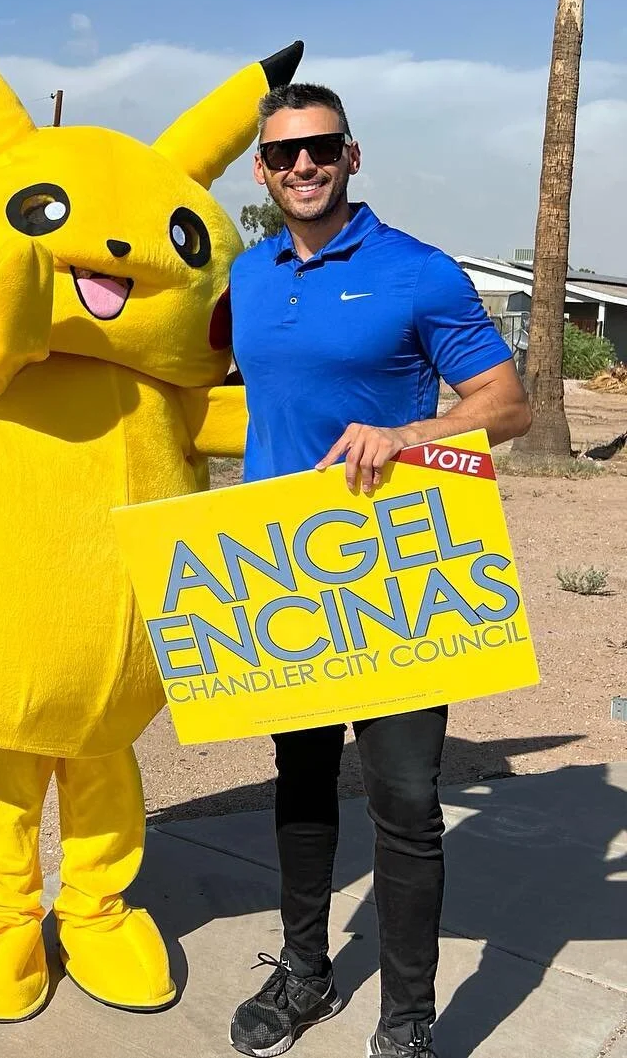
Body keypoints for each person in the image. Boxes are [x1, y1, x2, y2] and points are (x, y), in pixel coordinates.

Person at [226, 83, 532, 1058]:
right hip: (284, 577)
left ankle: (406, 1024)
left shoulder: (419, 272)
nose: (302, 166)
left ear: (352, 155)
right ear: (262, 171)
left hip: (391, 572)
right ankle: (308, 973)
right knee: (301, 781)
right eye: (283, 155)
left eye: (320, 148)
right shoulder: (249, 274)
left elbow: (506, 403)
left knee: (404, 804)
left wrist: (411, 432)